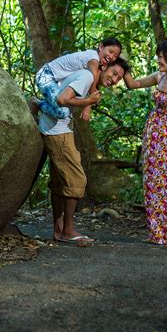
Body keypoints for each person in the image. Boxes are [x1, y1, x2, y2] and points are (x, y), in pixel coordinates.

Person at [39, 57, 129, 244]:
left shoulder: (88, 78)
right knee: (77, 181)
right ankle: (68, 230)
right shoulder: (87, 76)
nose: (114, 80)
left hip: (54, 127)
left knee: (60, 181)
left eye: (118, 79)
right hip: (58, 131)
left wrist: (88, 102)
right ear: (103, 67)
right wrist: (89, 100)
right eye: (114, 73)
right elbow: (62, 99)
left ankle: (59, 230)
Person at [123, 40, 167, 246]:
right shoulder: (159, 76)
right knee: (153, 181)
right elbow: (133, 84)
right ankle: (157, 232)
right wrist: (122, 65)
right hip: (153, 134)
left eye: (161, 56)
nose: (158, 60)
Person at [34, 37, 122, 120]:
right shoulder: (93, 58)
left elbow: (94, 79)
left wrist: (91, 99)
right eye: (111, 51)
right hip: (46, 76)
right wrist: (91, 99)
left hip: (53, 78)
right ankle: (37, 103)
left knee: (66, 107)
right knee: (62, 112)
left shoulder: (97, 59)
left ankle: (43, 106)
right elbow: (94, 78)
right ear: (101, 47)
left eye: (115, 56)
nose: (111, 57)